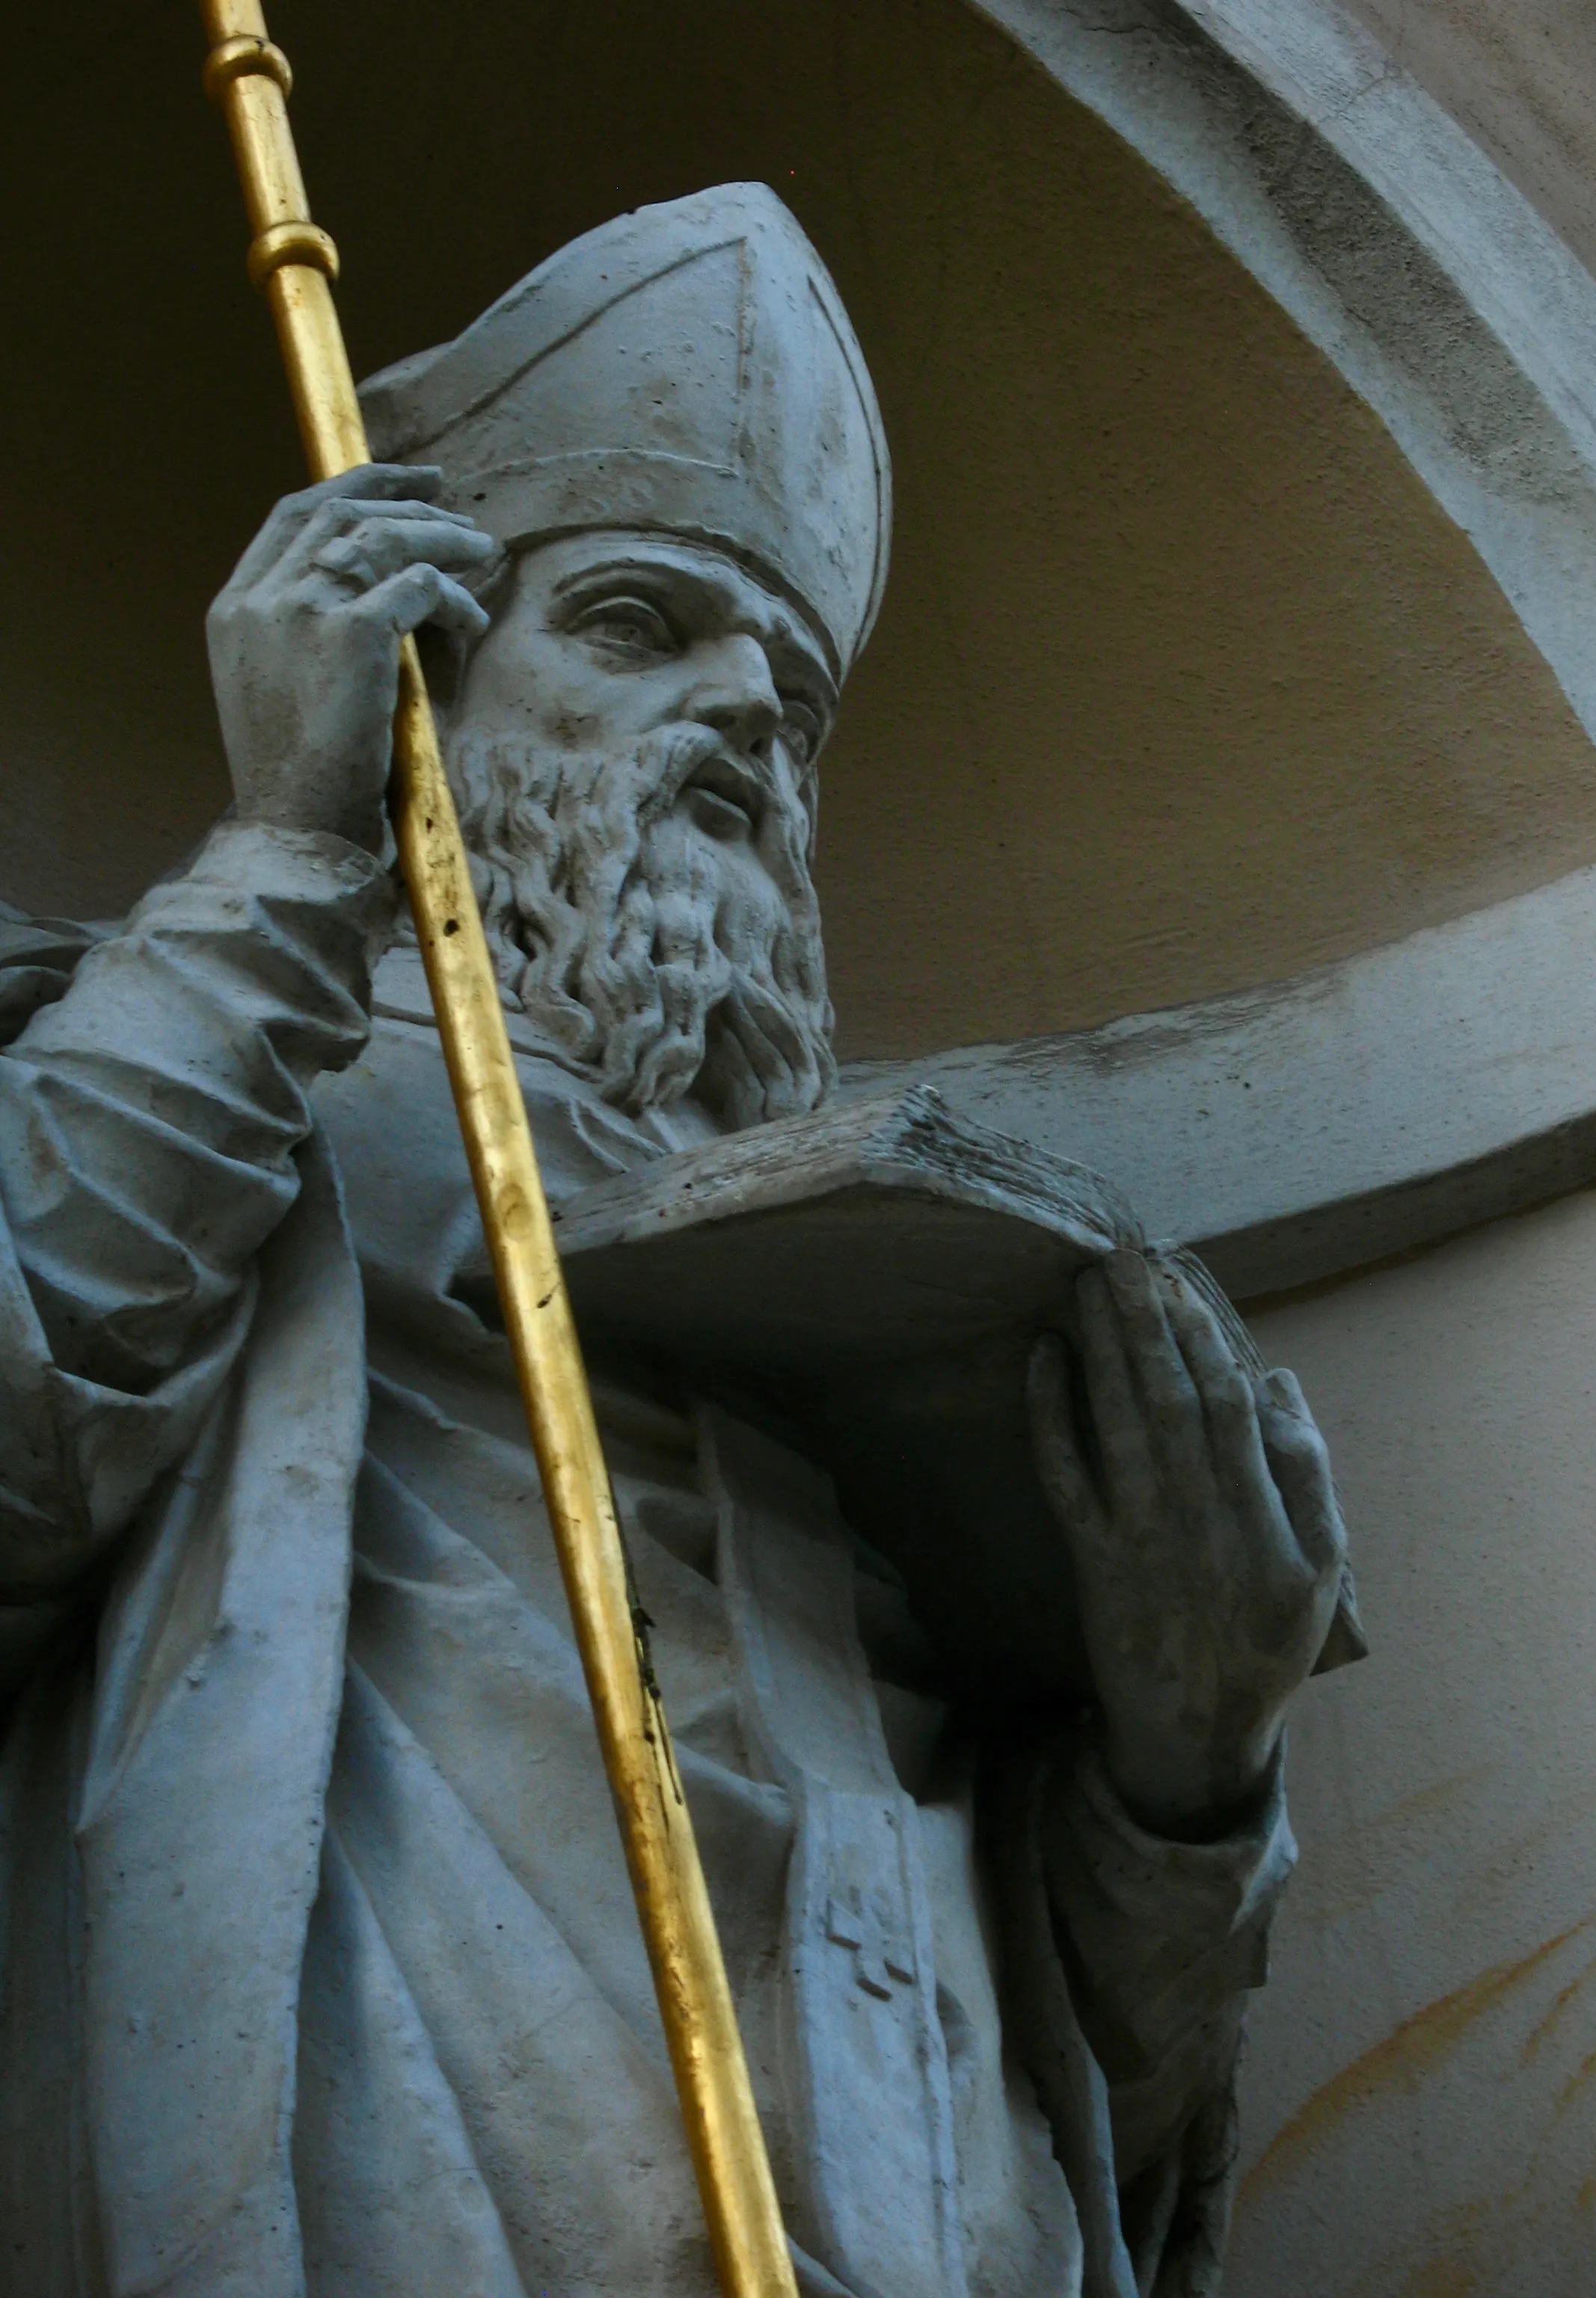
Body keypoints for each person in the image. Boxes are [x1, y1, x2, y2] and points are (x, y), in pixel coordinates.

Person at [0, 184, 1350, 2297]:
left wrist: (1189, 1778)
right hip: (397, 2162)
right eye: (638, 624)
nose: (742, 715)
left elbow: (1130, 2124)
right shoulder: (155, 1052)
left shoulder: (859, 1265)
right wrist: (285, 843)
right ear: (419, 670)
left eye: (791, 697)